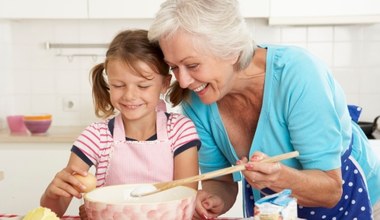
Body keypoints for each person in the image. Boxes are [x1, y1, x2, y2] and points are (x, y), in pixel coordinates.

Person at [148, 0, 380, 219]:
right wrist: (210, 199)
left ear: (231, 50)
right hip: (273, 207)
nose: (184, 81)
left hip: (355, 199)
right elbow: (221, 181)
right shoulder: (196, 101)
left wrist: (278, 177)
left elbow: (329, 190)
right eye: (174, 67)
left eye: (192, 65)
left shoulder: (297, 74)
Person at [40, 29, 201, 218]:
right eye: (118, 85)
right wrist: (53, 193)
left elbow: (184, 201)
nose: (129, 95)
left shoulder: (181, 131)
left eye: (143, 86)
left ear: (165, 83)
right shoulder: (96, 136)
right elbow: (53, 211)